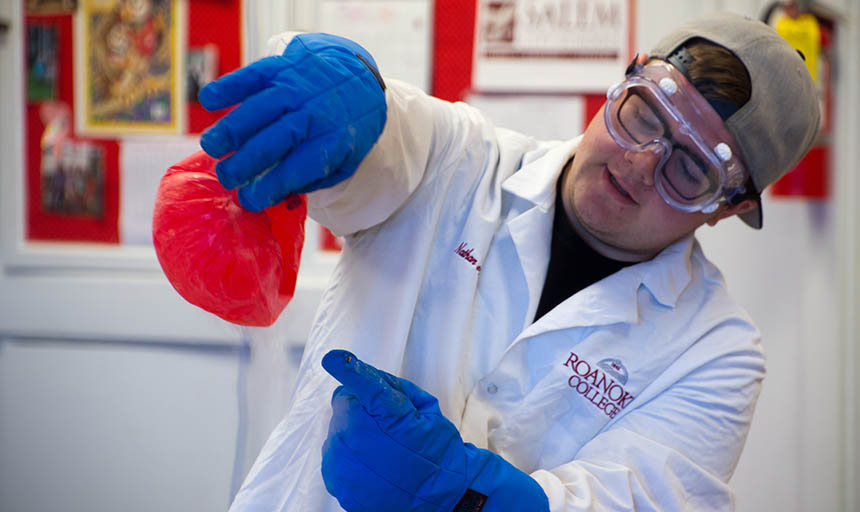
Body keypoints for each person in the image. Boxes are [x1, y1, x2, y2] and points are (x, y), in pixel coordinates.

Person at [198, 11, 818, 511]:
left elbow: (639, 500)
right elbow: (388, 146)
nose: (641, 162)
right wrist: (344, 99)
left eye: (690, 169)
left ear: (727, 208)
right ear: (619, 84)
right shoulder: (460, 160)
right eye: (644, 114)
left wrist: (465, 496)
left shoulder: (715, 351)